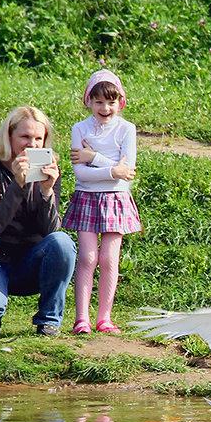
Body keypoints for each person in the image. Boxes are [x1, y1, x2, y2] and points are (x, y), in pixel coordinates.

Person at [0, 105, 77, 337]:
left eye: (38, 138)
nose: (32, 144)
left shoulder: (47, 168)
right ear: (9, 136)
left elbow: (51, 231)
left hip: (30, 262)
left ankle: (49, 321)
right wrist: (18, 184)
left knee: (63, 242)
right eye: (25, 136)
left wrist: (47, 192)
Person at [63, 69, 142, 335]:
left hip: (117, 198)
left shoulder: (127, 129)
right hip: (86, 196)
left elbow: (127, 170)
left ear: (120, 102)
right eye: (98, 102)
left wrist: (93, 157)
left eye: (111, 102)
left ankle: (104, 318)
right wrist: (112, 170)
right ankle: (81, 318)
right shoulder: (79, 128)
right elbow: (80, 173)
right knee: (87, 257)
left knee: (109, 259)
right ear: (88, 101)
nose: (105, 108)